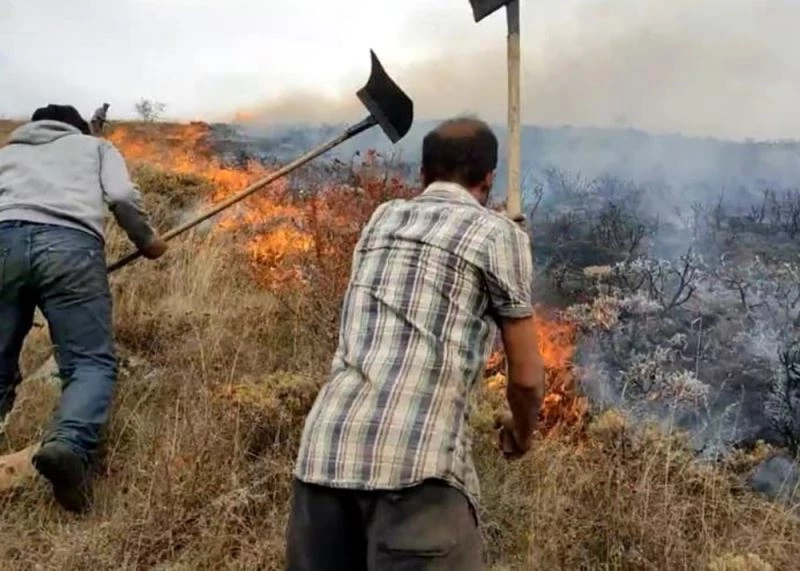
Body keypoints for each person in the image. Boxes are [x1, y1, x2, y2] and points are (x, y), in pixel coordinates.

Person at [286, 116, 546, 570]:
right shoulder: (501, 236)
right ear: (489, 178)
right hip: (417, 475)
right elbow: (526, 380)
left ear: (422, 175)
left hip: (322, 461)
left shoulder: (381, 219)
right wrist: (520, 433)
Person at [0, 104, 167, 512]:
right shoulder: (94, 147)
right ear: (78, 129)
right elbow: (123, 195)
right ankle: (68, 446)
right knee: (90, 363)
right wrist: (147, 242)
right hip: (70, 250)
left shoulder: (7, 153)